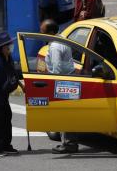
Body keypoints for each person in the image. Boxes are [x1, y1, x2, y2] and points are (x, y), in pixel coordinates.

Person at [40, 19, 78, 154]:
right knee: (69, 114)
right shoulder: (62, 39)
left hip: (61, 82)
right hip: (69, 78)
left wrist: (52, 84)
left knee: (64, 114)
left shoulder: (55, 46)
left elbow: (57, 67)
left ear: (50, 32)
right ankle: (69, 142)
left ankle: (68, 144)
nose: (41, 34)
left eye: (43, 31)